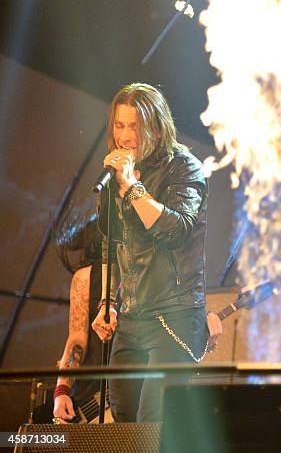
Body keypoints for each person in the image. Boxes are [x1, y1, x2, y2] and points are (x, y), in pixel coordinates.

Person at [92, 83, 221, 422]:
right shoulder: (121, 176)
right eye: (119, 125)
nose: (124, 136)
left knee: (152, 422)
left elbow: (175, 229)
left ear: (156, 125)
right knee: (122, 418)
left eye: (133, 125)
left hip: (175, 316)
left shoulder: (184, 168)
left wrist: (132, 187)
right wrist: (108, 303)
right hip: (132, 318)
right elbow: (111, 243)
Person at [52, 213, 110, 424]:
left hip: (136, 389)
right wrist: (61, 390)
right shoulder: (85, 278)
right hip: (93, 393)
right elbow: (77, 340)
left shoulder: (146, 276)